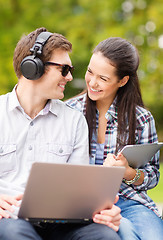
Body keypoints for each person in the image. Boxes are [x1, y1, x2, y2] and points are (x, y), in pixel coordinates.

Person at [0, 27, 123, 240]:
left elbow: (81, 193)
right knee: (15, 234)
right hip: (10, 220)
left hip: (63, 222)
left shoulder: (74, 120)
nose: (69, 77)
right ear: (33, 68)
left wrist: (103, 211)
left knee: (105, 236)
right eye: (64, 69)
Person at [67, 37, 163, 240]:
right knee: (125, 234)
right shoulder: (70, 112)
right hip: (84, 203)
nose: (92, 82)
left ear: (122, 80)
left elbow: (153, 175)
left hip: (130, 201)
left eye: (103, 78)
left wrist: (127, 172)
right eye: (90, 72)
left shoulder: (141, 119)